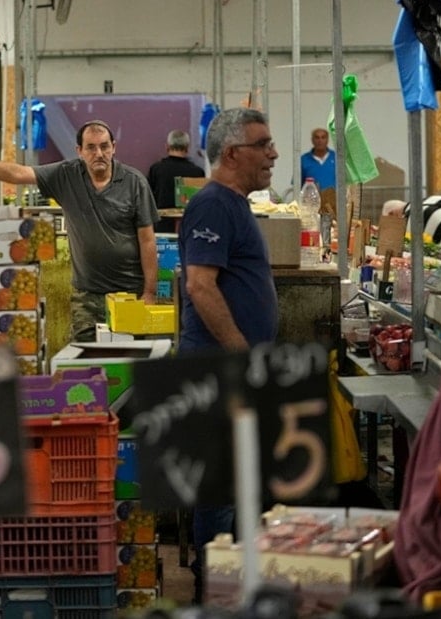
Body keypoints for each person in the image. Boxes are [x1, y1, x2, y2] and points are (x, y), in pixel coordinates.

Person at [177, 107, 280, 603]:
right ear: (234, 152)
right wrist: (243, 356)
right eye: (264, 145)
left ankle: (230, 582)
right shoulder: (214, 204)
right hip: (219, 368)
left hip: (233, 366)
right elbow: (200, 286)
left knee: (236, 480)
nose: (273, 154)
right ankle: (212, 591)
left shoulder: (235, 202)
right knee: (219, 486)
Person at [0, 120, 159, 342]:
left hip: (130, 293)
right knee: (85, 358)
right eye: (91, 147)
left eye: (104, 146)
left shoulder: (134, 182)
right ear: (79, 151)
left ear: (114, 147)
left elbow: (147, 241)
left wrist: (149, 292)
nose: (99, 153)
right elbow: (19, 174)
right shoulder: (66, 176)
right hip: (87, 296)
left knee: (131, 359)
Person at [147, 129, 205, 233]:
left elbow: (147, 200)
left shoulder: (156, 170)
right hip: (189, 231)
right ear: (187, 148)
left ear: (167, 147)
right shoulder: (198, 172)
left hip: (161, 232)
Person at [300, 127, 336, 192]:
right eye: (317, 137)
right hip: (311, 200)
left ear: (327, 140)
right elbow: (297, 185)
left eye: (323, 137)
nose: (320, 141)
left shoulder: (337, 158)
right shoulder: (303, 160)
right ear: (312, 140)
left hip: (335, 200)